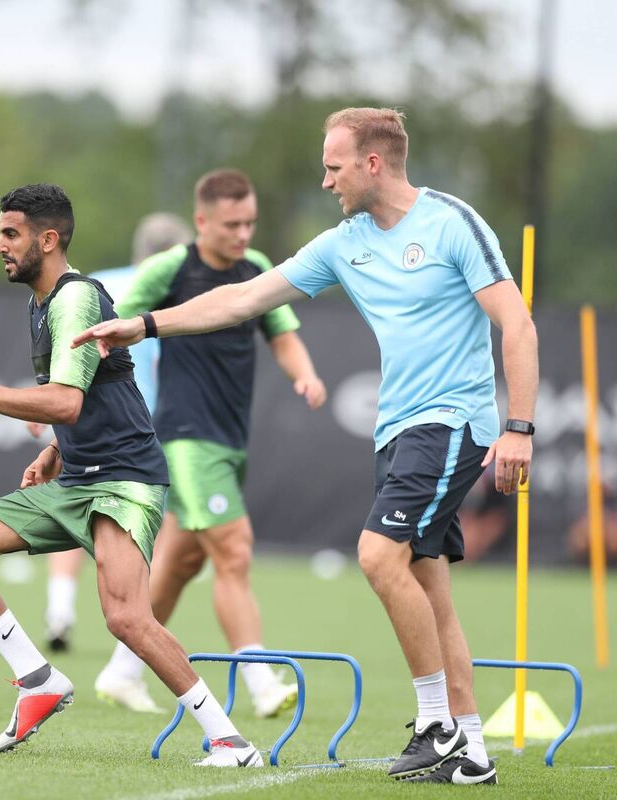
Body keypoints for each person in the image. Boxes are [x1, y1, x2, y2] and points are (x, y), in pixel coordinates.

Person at [75, 108, 539, 786]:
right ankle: (469, 749)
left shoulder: (451, 223)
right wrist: (144, 326)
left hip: (452, 422)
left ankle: (436, 726)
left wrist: (519, 427)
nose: (325, 181)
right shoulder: (342, 243)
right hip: (398, 429)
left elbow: (517, 324)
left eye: (333, 165)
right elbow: (241, 301)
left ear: (372, 163)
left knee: (379, 555)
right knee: (427, 584)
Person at [0, 183, 264, 767]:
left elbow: (68, 402)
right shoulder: (39, 302)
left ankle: (231, 740)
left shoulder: (75, 298)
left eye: (11, 234)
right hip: (79, 477)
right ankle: (37, 680)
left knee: (127, 617)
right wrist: (55, 452)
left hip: (126, 479)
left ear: (46, 239)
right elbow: (94, 395)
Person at [93, 169, 327, 718]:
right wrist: (66, 399)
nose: (243, 233)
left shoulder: (258, 270)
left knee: (180, 562)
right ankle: (261, 680)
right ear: (201, 222)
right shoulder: (171, 268)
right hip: (184, 436)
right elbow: (106, 324)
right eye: (231, 224)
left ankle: (123, 671)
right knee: (235, 549)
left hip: (230, 438)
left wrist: (305, 373)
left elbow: (282, 335)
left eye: (250, 222)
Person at [38, 212, 192, 653]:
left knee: (72, 504)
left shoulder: (95, 283)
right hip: (143, 422)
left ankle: (60, 609)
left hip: (78, 409)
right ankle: (136, 626)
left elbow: (57, 341)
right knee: (161, 524)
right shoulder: (171, 296)